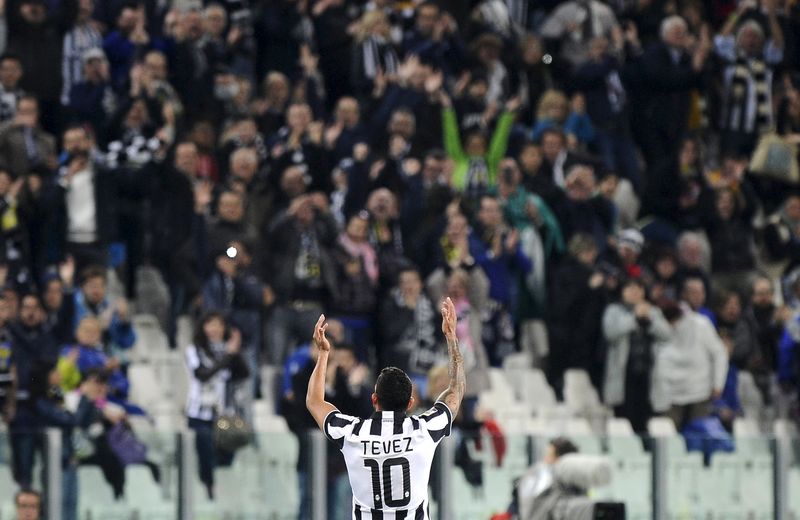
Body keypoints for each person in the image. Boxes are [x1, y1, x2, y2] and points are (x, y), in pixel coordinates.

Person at [306, 297, 465, 519]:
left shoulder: (353, 433)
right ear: (410, 403)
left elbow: (314, 401)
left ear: (374, 399)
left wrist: (323, 354)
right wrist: (451, 338)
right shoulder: (424, 429)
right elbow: (455, 392)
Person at [184, 312, 249, 500]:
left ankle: (221, 490)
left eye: (218, 325)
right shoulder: (194, 350)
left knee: (228, 452)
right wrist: (227, 356)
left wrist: (235, 354)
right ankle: (207, 488)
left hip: (224, 414)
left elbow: (243, 373)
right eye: (210, 324)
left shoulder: (228, 350)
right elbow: (202, 374)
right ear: (203, 328)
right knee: (205, 447)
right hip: (199, 412)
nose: (214, 329)